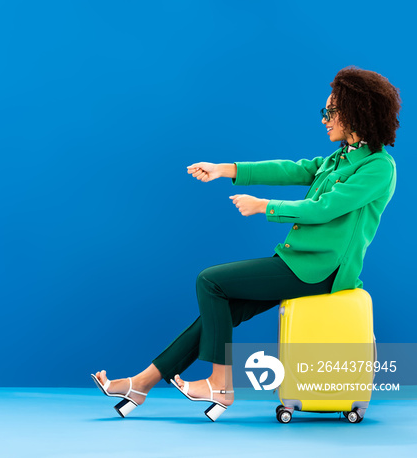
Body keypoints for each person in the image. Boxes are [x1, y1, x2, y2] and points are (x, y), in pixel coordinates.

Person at [91, 66, 401, 421]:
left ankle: (220, 384)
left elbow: (324, 208)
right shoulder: (339, 158)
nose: (324, 119)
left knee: (210, 281)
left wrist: (264, 206)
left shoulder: (379, 168)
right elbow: (291, 169)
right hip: (299, 263)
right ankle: (140, 384)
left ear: (356, 111)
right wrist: (226, 169)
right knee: (223, 310)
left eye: (330, 112)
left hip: (321, 271)